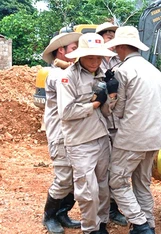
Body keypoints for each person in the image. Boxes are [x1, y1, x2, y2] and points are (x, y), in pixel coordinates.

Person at [105, 26, 161, 234]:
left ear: (121, 46)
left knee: (117, 181)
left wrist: (110, 96)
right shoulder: (155, 70)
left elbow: (119, 110)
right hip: (154, 136)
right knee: (142, 183)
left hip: (132, 136)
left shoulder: (123, 71)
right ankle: (149, 224)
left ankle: (140, 224)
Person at [57, 33, 118, 234]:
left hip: (101, 137)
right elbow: (66, 112)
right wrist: (94, 103)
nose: (95, 61)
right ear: (80, 56)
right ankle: (89, 228)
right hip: (80, 141)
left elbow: (108, 112)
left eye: (98, 57)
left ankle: (101, 224)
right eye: (90, 57)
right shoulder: (68, 77)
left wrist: (112, 96)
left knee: (102, 186)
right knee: (87, 190)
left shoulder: (102, 73)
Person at [41, 32, 82, 234]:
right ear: (61, 51)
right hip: (60, 134)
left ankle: (62, 214)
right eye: (74, 49)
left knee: (76, 178)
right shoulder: (56, 75)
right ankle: (49, 217)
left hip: (75, 134)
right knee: (64, 178)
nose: (77, 53)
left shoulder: (70, 72)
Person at [95, 21, 127, 227]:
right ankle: (100, 212)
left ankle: (114, 208)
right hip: (99, 124)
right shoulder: (92, 61)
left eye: (114, 37)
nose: (112, 40)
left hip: (119, 123)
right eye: (108, 36)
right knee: (100, 170)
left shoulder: (122, 61)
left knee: (118, 168)